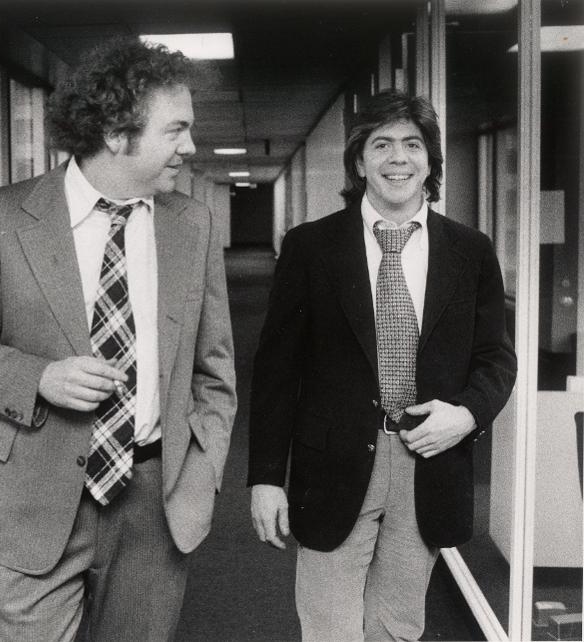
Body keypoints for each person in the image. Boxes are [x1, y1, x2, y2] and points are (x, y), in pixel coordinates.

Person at [0, 38, 236, 641]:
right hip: (30, 501)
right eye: (176, 130)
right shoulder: (3, 217)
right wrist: (39, 377)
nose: (190, 147)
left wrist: (200, 474)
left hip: (155, 500)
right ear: (118, 132)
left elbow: (215, 370)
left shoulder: (192, 224)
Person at [247, 90, 517, 641]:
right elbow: (276, 372)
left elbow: (496, 358)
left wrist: (466, 415)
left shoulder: (470, 252)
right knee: (329, 627)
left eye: (413, 145)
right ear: (358, 161)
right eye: (382, 144)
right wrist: (266, 478)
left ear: (430, 161)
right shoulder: (311, 248)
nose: (399, 158)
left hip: (429, 459)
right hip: (334, 462)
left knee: (398, 625)